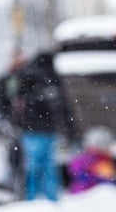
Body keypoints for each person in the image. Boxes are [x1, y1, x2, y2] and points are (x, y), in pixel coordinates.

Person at [6, 52, 77, 201]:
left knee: (31, 167)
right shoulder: (53, 80)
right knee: (49, 168)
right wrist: (71, 131)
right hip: (49, 131)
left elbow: (10, 94)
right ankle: (51, 199)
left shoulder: (26, 76)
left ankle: (30, 198)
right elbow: (64, 109)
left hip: (30, 131)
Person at [66, 127, 116, 195]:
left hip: (80, 192)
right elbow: (109, 183)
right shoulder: (102, 162)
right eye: (109, 147)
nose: (112, 150)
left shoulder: (84, 159)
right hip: (92, 194)